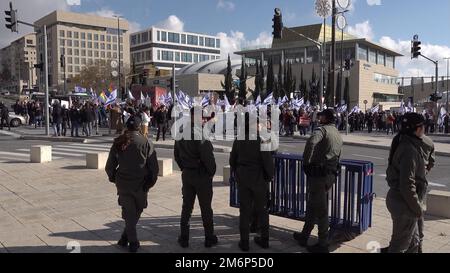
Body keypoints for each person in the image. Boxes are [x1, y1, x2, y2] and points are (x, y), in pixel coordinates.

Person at [105, 115, 159, 253]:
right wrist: (150, 183)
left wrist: (114, 178)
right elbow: (154, 168)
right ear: (139, 127)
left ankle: (124, 237)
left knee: (131, 213)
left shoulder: (118, 141)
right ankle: (133, 242)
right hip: (140, 184)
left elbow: (109, 166)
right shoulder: (146, 142)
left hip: (123, 183)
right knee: (136, 210)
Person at [293, 109, 343, 253]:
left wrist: (306, 162)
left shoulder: (322, 130)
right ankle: (304, 235)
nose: (319, 117)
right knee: (312, 205)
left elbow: (311, 142)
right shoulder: (337, 133)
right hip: (329, 175)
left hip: (318, 175)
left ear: (326, 118)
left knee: (320, 211)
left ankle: (322, 244)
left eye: (321, 115)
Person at [174, 107, 218, 249]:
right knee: (206, 208)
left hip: (187, 174)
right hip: (201, 175)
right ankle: (209, 237)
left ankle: (184, 237)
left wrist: (184, 168)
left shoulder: (181, 132)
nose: (204, 119)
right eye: (202, 117)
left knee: (186, 207)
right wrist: (210, 173)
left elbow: (176, 155)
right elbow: (208, 159)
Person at [230, 113, 274, 252]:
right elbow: (268, 163)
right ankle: (265, 239)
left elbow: (232, 160)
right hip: (259, 179)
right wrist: (269, 177)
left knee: (244, 211)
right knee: (262, 211)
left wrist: (237, 173)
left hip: (243, 178)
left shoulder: (239, 139)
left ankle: (244, 242)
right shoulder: (262, 140)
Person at [383, 113, 427, 253]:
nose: (425, 128)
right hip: (405, 204)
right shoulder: (409, 150)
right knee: (399, 247)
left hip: (401, 202)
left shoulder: (404, 141)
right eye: (422, 126)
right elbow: (407, 184)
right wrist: (417, 207)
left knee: (413, 243)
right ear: (417, 129)